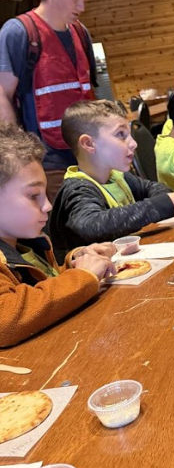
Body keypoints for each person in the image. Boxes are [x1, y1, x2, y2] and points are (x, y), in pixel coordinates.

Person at [0, 123, 117, 347]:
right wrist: (83, 277)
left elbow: (44, 285)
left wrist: (77, 261)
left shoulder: (28, 243)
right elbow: (6, 320)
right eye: (34, 196)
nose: (47, 206)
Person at [0, 0, 98, 203]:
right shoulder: (19, 32)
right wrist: (20, 160)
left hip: (89, 153)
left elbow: (89, 92)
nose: (82, 6)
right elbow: (3, 95)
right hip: (48, 160)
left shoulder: (80, 32)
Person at [50, 101, 174, 256]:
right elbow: (92, 225)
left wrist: (166, 201)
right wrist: (159, 206)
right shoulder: (78, 189)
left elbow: (154, 188)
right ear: (88, 144)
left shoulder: (116, 176)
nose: (133, 143)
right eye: (121, 135)